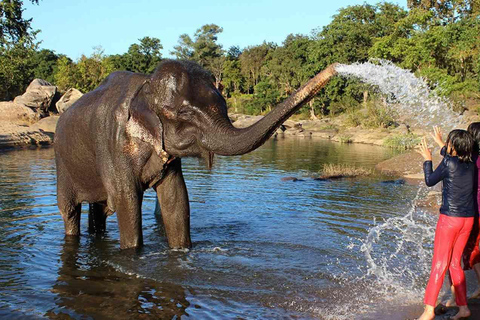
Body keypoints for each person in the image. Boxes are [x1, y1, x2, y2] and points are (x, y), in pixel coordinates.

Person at [416, 128, 475, 320]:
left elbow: (429, 180)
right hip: (468, 219)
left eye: (449, 143)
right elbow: (452, 158)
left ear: (454, 147)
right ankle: (463, 308)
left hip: (450, 220)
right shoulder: (472, 163)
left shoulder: (449, 162)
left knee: (439, 265)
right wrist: (441, 142)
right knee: (454, 264)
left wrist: (427, 159)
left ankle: (428, 310)